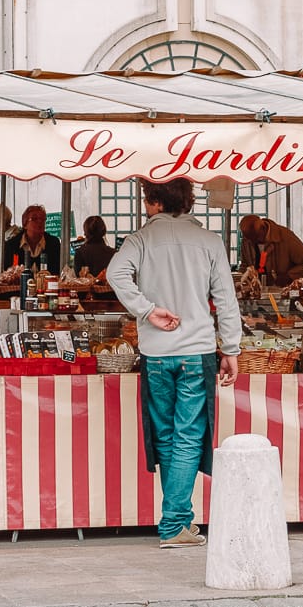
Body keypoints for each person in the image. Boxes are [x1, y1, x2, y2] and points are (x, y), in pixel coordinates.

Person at [106, 178, 241, 549]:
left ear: (152, 201)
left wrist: (148, 311)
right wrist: (231, 349)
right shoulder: (209, 241)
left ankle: (176, 521)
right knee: (187, 435)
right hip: (196, 351)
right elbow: (226, 301)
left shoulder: (140, 240)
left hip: (155, 353)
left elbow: (115, 274)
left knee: (166, 434)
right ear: (187, 202)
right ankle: (174, 524)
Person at [239, 214, 303, 286]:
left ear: (263, 228)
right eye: (250, 240)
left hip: (283, 291)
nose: (253, 242)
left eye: (256, 238)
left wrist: (289, 276)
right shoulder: (247, 239)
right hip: (257, 293)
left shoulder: (286, 236)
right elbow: (244, 265)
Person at [0, 204, 62, 275]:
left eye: (42, 219)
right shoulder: (12, 245)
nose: (40, 222)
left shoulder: (53, 243)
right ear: (24, 224)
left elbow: (59, 272)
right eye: (34, 219)